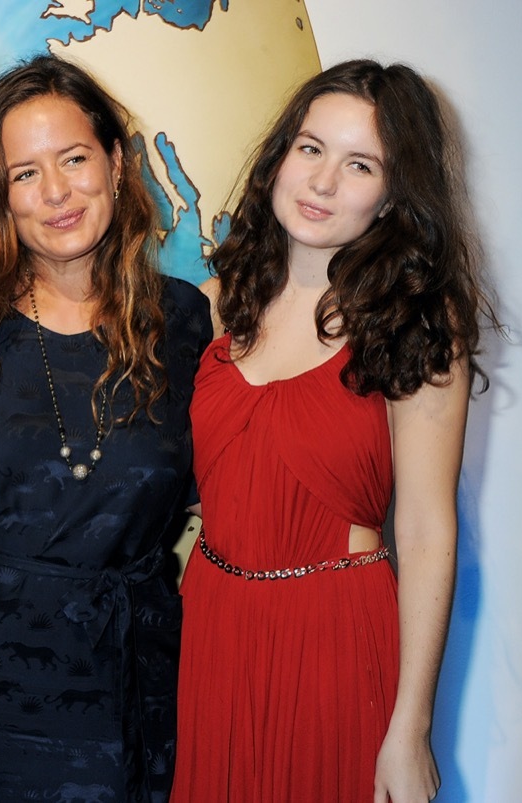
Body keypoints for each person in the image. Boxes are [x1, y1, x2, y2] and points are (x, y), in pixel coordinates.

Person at [170, 60, 494, 803]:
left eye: (360, 165)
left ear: (392, 196)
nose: (321, 182)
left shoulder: (417, 321)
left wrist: (409, 728)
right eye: (310, 149)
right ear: (280, 155)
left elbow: (424, 529)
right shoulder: (217, 303)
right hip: (212, 630)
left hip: (336, 644)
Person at [0, 55, 211, 802]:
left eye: (74, 159)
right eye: (24, 174)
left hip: (137, 685)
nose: (55, 194)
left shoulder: (182, 321)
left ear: (115, 163)